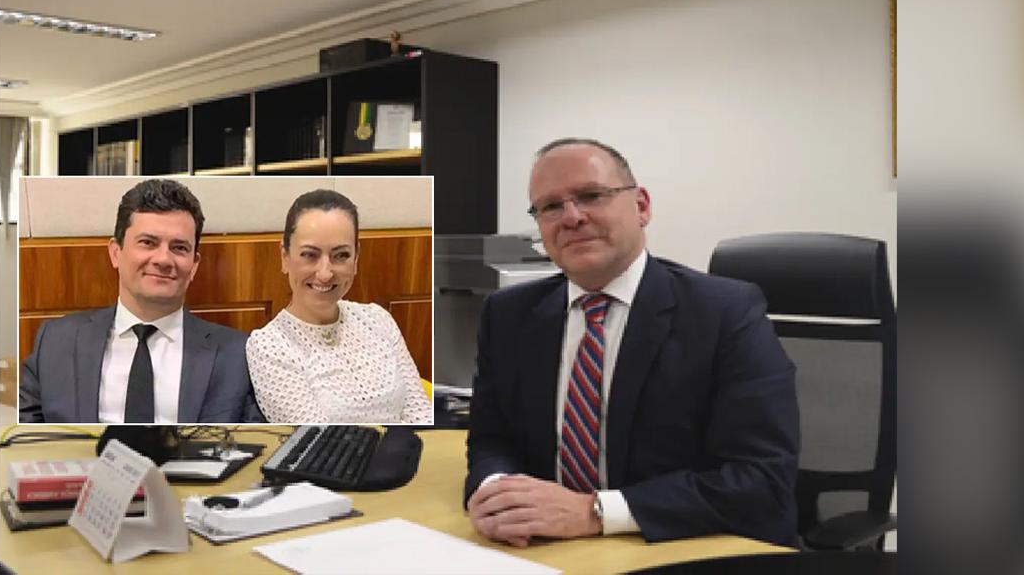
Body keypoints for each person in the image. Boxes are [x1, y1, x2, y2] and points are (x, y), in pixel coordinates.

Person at [465, 139, 799, 547]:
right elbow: (491, 440)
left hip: (684, 547)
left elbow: (761, 479)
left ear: (641, 206)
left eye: (591, 196)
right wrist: (501, 494)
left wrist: (594, 512)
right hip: (551, 548)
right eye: (550, 207)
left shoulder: (726, 313)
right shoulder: (508, 315)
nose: (571, 217)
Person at [19, 179, 263, 423]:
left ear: (194, 265)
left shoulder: (236, 355)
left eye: (179, 248)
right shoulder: (56, 341)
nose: (164, 259)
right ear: (116, 252)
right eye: (148, 243)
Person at [245, 189, 431, 423]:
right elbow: (320, 443)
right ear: (285, 257)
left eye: (340, 255)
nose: (325, 273)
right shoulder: (269, 346)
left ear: (356, 259)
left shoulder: (378, 319)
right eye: (309, 255)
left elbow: (422, 414)